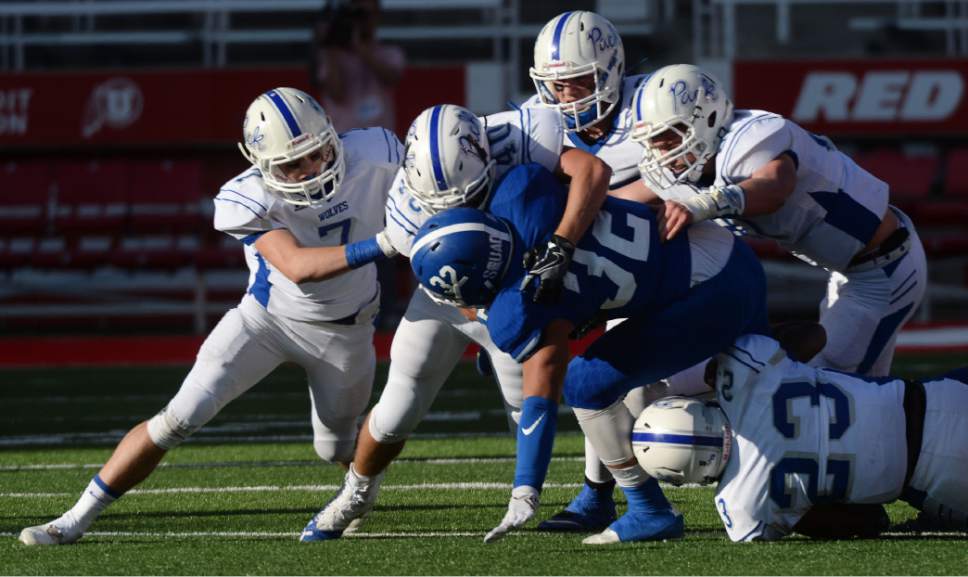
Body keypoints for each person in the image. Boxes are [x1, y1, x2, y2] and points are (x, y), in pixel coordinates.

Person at [18, 87, 403, 546]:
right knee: (178, 417)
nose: (312, 170)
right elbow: (300, 268)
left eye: (317, 153)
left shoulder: (377, 152)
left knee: (336, 446)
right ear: (262, 166)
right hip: (266, 322)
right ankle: (73, 519)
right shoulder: (248, 196)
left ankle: (359, 491)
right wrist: (385, 242)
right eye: (292, 165)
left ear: (331, 137)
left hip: (346, 331)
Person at [409, 162, 771, 544]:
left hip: (709, 290)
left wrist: (526, 486)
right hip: (720, 250)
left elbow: (539, 400)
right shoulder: (518, 191)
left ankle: (650, 509)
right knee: (762, 369)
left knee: (585, 385)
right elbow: (586, 169)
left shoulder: (520, 305)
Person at [298, 103, 612, 541]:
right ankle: (356, 492)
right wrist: (509, 320)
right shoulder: (406, 211)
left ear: (483, 152)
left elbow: (592, 172)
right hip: (455, 297)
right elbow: (459, 296)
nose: (462, 208)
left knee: (527, 411)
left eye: (470, 196)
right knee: (396, 406)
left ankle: (576, 494)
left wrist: (561, 243)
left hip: (522, 278)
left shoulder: (517, 135)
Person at [630, 63, 928, 378]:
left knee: (830, 389)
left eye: (667, 138)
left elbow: (775, 186)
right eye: (652, 142)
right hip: (849, 270)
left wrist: (706, 204)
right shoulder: (690, 164)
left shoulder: (750, 139)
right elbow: (622, 197)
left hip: (883, 270)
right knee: (859, 391)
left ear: (708, 119)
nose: (660, 151)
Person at [523, 10, 696, 534]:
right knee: (578, 381)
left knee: (639, 391)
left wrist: (597, 205)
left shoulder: (652, 102)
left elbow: (680, 169)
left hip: (671, 263)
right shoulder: (534, 121)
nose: (567, 97)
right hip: (593, 269)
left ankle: (607, 495)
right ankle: (598, 495)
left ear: (612, 68)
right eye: (556, 85)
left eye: (578, 80)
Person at [634, 331, 968, 541]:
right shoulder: (746, 372)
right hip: (942, 399)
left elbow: (866, 521)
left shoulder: (743, 508)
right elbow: (816, 335)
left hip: (940, 483)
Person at [311, 0, 405, 134]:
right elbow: (335, 93)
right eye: (358, 15)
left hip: (381, 142)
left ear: (377, 16)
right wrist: (330, 44)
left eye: (367, 15)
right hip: (344, 143)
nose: (363, 22)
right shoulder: (331, 57)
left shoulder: (389, 52)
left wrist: (360, 49)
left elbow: (391, 78)